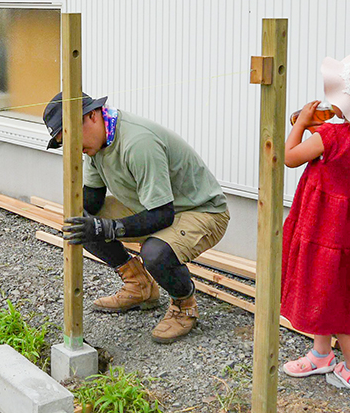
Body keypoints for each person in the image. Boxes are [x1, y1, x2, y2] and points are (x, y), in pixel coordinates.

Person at [42, 92, 228, 343]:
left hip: (200, 210)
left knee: (156, 253)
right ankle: (140, 286)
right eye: (66, 143)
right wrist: (86, 217)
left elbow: (163, 215)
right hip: (153, 206)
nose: (73, 148)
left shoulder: (138, 143)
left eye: (72, 137)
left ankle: (185, 305)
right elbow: (94, 201)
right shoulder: (96, 145)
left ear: (93, 116)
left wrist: (109, 228)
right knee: (79, 222)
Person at [280, 54, 350, 390]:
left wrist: (301, 123)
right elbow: (343, 148)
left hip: (322, 221)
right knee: (336, 279)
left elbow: (289, 158)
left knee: (326, 279)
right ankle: (321, 354)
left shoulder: (329, 137)